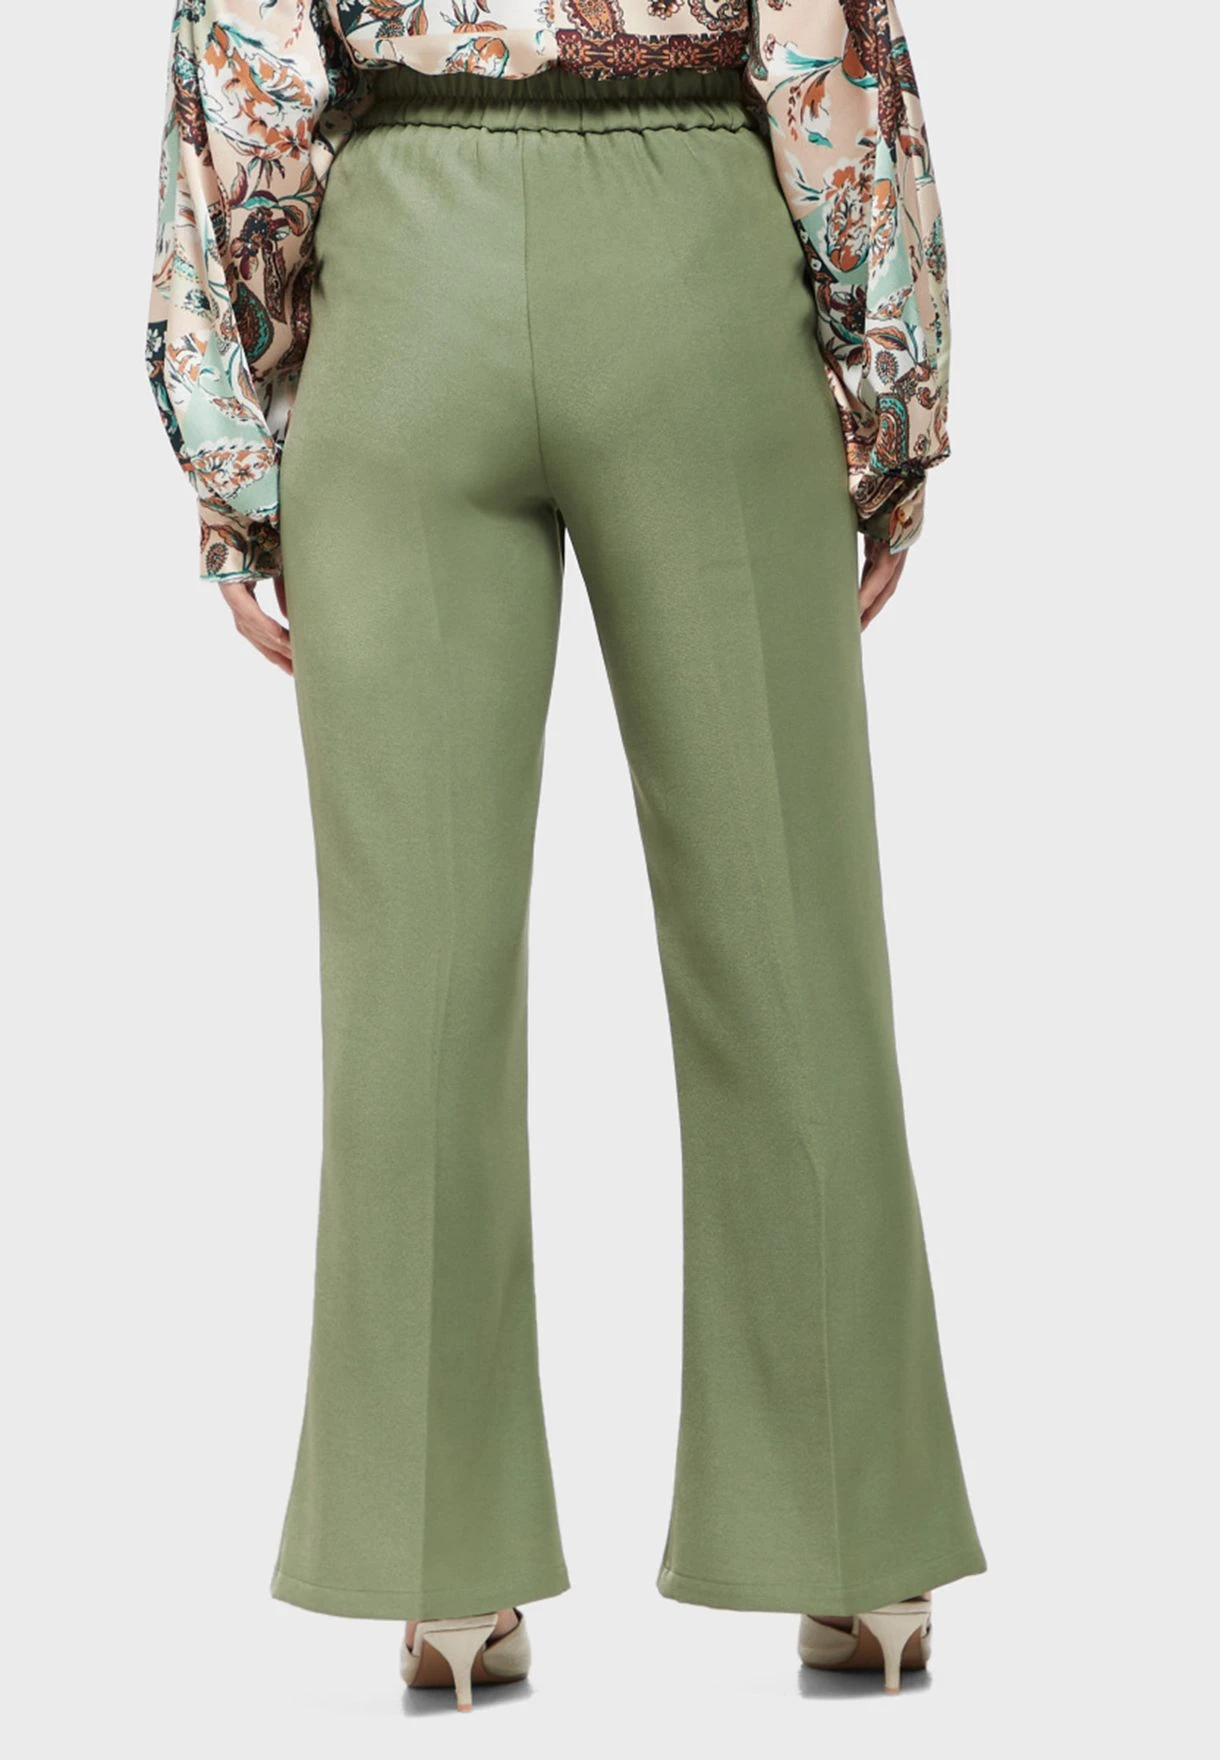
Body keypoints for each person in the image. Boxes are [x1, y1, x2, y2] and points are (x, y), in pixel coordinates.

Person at [147, 0, 985, 1708]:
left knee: (412, 973)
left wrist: (237, 460)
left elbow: (243, 55)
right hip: (697, 261)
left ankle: (439, 1571)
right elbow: (829, 45)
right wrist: (891, 414)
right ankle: (857, 1542)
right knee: (788, 931)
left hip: (402, 270)